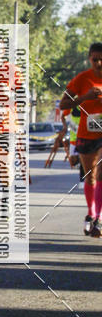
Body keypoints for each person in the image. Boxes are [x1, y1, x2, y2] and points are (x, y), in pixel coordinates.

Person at [59, 42, 102, 237]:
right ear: (89, 59)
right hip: (87, 133)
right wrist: (83, 97)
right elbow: (63, 103)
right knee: (91, 176)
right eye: (95, 59)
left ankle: (97, 218)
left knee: (101, 173)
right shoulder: (82, 78)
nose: (99, 63)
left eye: (101, 59)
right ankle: (91, 214)